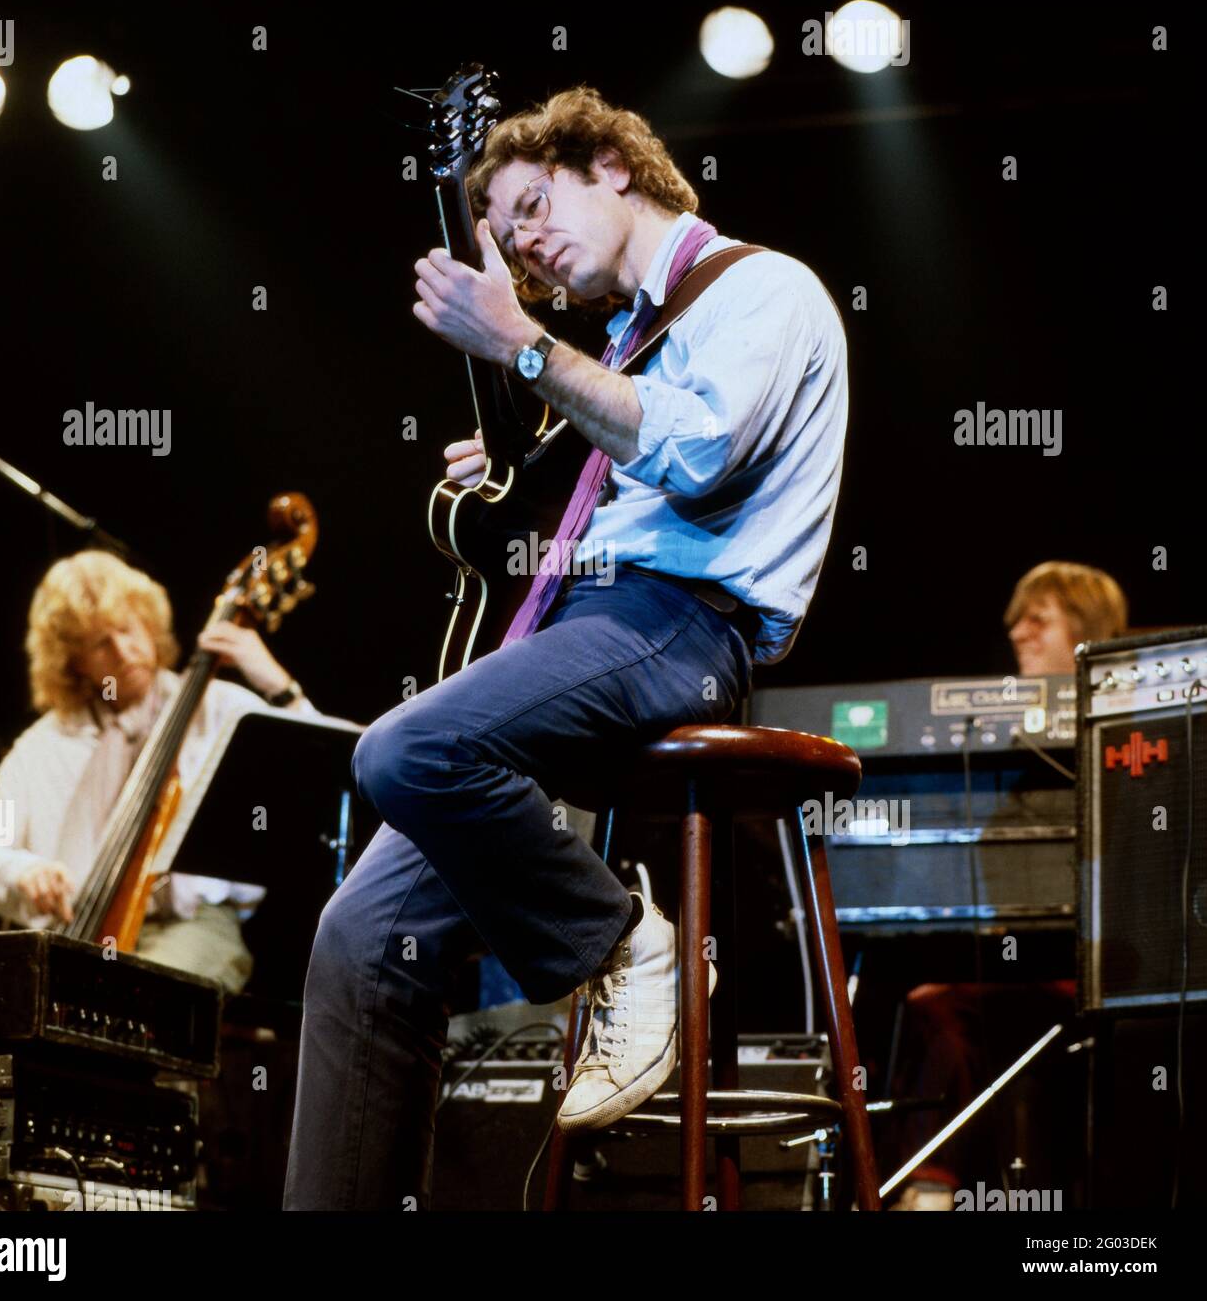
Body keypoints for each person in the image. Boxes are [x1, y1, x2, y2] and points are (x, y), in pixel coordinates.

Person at [283, 85, 850, 1209]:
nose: (527, 248)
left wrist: (524, 347)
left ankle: (627, 942)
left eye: (534, 205)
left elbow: (696, 457)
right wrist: (518, 480)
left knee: (402, 752)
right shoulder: (625, 346)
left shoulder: (758, 288)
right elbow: (601, 478)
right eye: (507, 239)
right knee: (355, 937)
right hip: (590, 626)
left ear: (610, 165)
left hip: (682, 627)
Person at [0, 550, 318, 994]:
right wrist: (22, 869)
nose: (124, 651)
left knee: (132, 999)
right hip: (80, 929)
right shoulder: (44, 745)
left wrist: (277, 684)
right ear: (73, 661)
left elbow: (334, 763)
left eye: (128, 629)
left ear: (149, 622)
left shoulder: (217, 707)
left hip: (189, 925)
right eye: (101, 642)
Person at [887, 560, 1128, 1210]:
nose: (1018, 633)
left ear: (1086, 634)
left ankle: (930, 1191)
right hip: (1023, 970)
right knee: (925, 1002)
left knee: (939, 1011)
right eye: (1015, 620)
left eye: (1039, 620)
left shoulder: (1125, 738)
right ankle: (924, 1185)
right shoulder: (1011, 753)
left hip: (1105, 979)